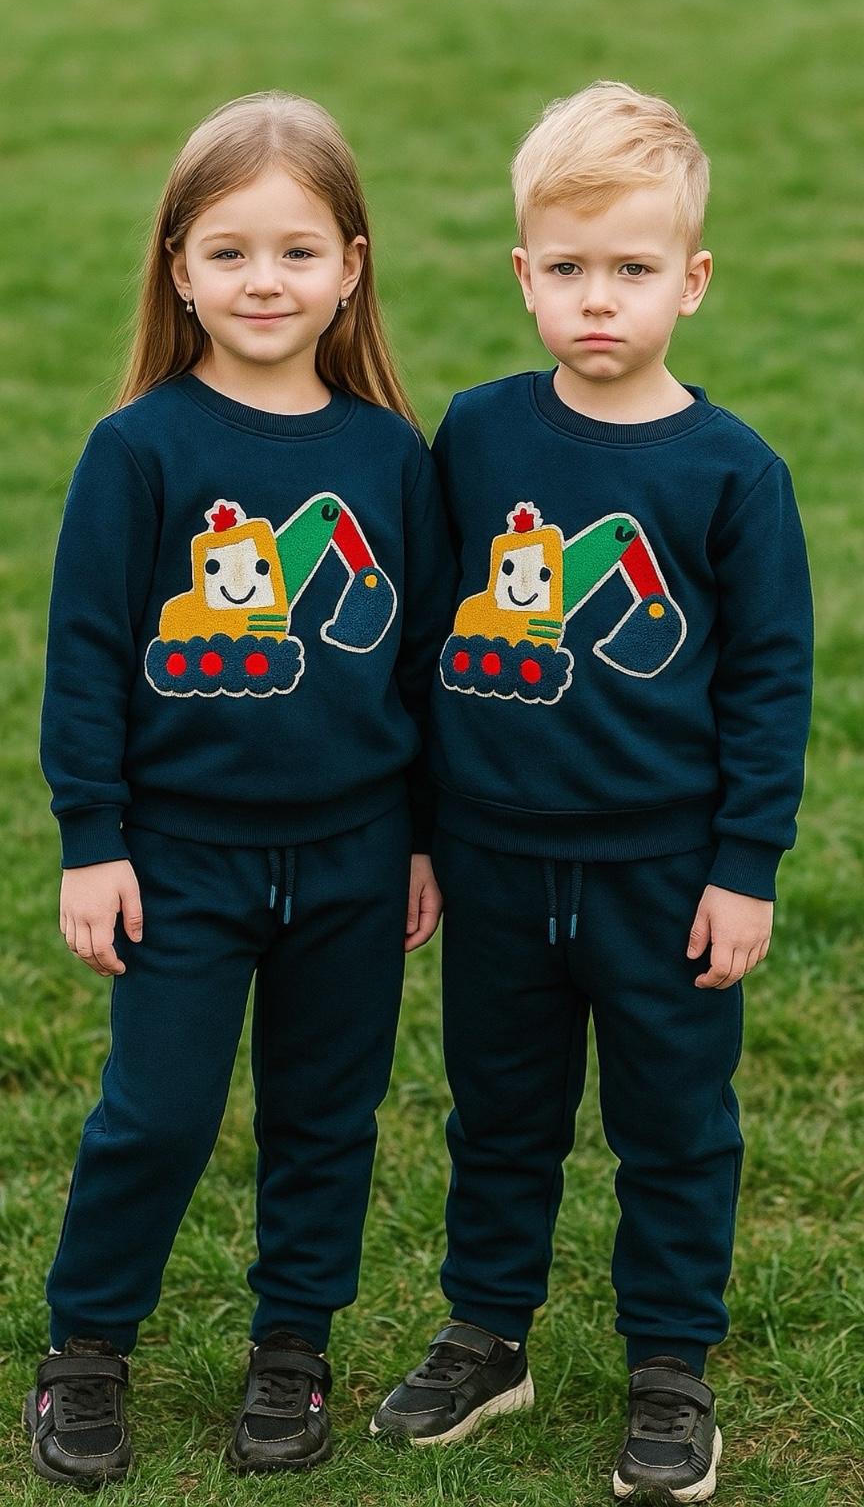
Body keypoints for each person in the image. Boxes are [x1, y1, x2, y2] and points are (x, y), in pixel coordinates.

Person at [371, 80, 813, 1503]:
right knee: (498, 1112)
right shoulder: (481, 434)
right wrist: (427, 837)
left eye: (632, 271)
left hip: (664, 874)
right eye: (568, 271)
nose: (599, 302)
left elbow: (769, 687)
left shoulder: (733, 471)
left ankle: (670, 1366)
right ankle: (489, 1335)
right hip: (497, 859)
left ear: (692, 278)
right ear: (523, 275)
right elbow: (431, 644)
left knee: (673, 1124)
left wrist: (743, 865)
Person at [27, 89, 454, 1488]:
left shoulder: (391, 456)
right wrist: (96, 840)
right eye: (229, 252)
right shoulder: (138, 449)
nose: (263, 281)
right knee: (155, 1113)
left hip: (349, 855)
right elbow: (86, 660)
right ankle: (87, 1348)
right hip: (183, 860)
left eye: (295, 251)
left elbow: (424, 670)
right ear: (179, 270)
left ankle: (293, 1351)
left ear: (351, 268)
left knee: (328, 1115)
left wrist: (418, 840)